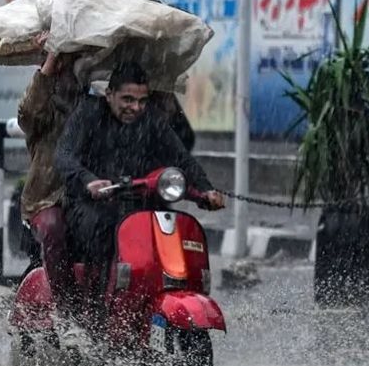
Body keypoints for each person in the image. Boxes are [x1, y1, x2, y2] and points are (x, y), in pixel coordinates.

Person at [54, 62, 224, 302]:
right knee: (104, 228)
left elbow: (182, 159)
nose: (135, 108)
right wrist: (88, 181)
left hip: (139, 203)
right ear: (109, 94)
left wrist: (206, 190)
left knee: (172, 228)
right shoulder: (88, 114)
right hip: (89, 205)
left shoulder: (152, 120)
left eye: (142, 101)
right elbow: (63, 155)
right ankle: (95, 307)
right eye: (127, 100)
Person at [17, 32, 87, 319]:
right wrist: (51, 60)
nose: (71, 71)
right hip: (47, 199)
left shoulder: (95, 105)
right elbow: (28, 115)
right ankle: (67, 313)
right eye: (66, 62)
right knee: (54, 227)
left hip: (90, 197)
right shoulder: (44, 113)